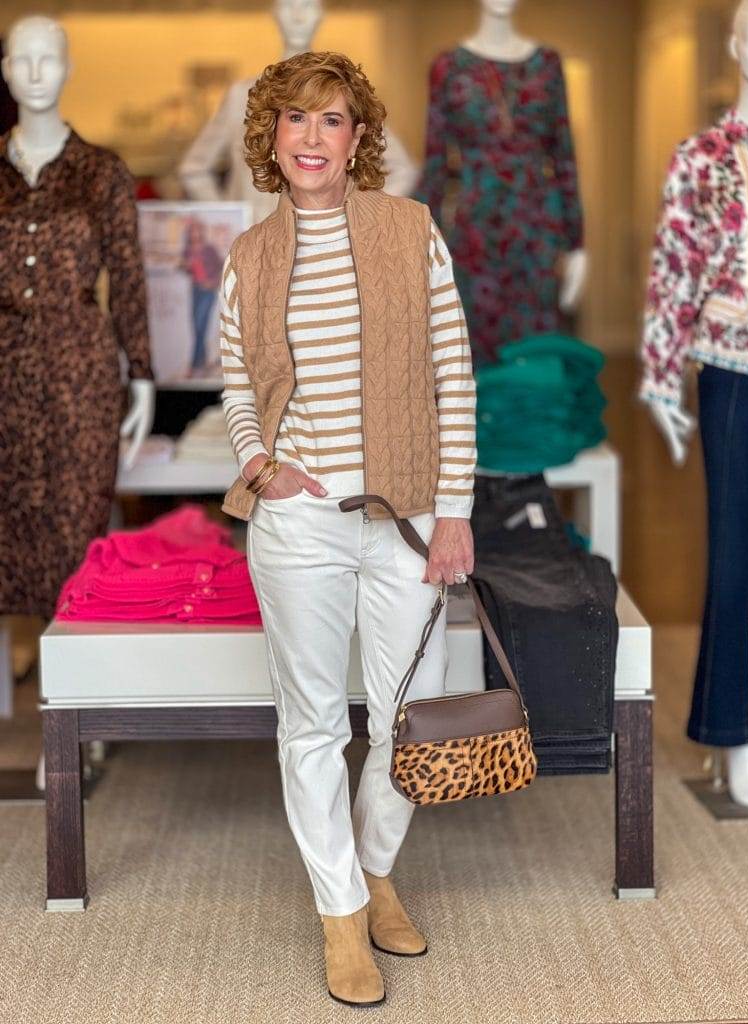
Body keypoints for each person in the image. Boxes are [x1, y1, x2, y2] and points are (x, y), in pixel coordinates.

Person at [219, 51, 477, 1007]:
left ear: (359, 139)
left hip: (408, 519)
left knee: (410, 719)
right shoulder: (252, 255)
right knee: (315, 725)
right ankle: (340, 911)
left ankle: (375, 870)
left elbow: (454, 373)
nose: (313, 139)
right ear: (272, 138)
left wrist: (454, 511)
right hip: (300, 527)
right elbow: (238, 382)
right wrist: (261, 467)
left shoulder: (411, 231)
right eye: (296, 121)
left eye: (332, 121)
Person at [180, 217, 222, 376]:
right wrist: (185, 266)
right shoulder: (188, 250)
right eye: (192, 231)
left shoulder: (209, 249)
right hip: (195, 289)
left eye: (197, 230)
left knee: (200, 325)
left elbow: (221, 266)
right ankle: (202, 361)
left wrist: (213, 282)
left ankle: (194, 365)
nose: (195, 234)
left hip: (208, 291)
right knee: (196, 327)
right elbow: (186, 268)